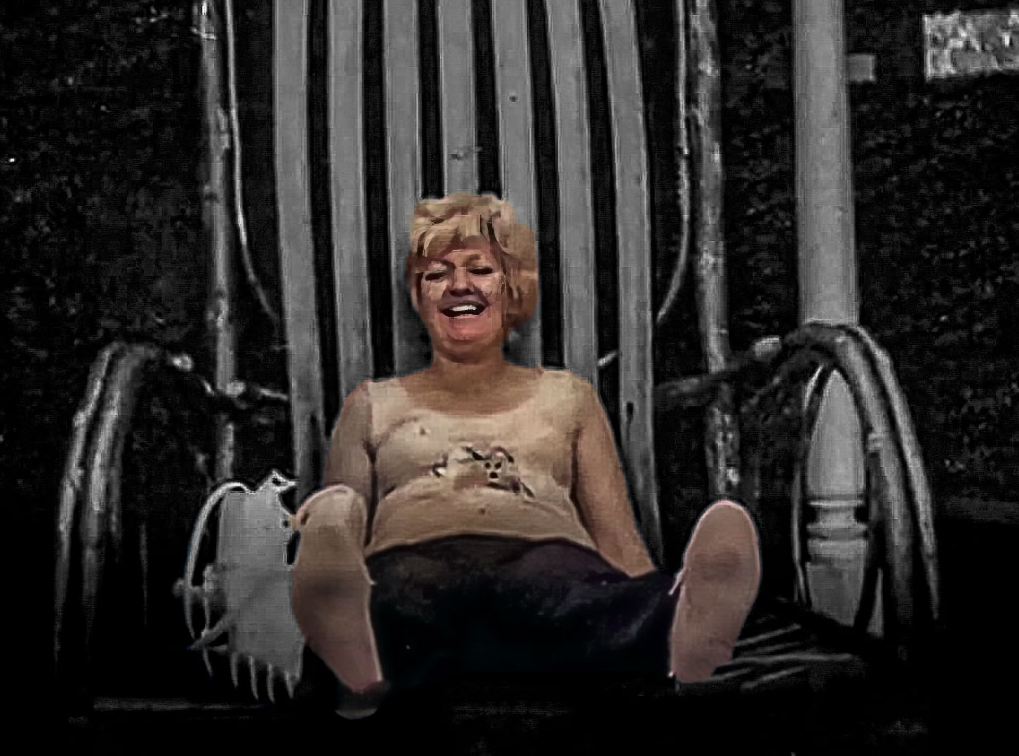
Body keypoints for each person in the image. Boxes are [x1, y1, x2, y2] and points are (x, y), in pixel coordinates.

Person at [289, 192, 760, 716]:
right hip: (411, 561)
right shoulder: (374, 404)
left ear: (513, 288)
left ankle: (677, 630)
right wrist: (333, 535)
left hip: (547, 564)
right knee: (392, 594)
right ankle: (355, 655)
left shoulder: (566, 396)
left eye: (479, 269)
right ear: (418, 296)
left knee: (581, 601)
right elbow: (344, 533)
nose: (459, 285)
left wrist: (644, 599)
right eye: (436, 274)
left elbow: (616, 538)